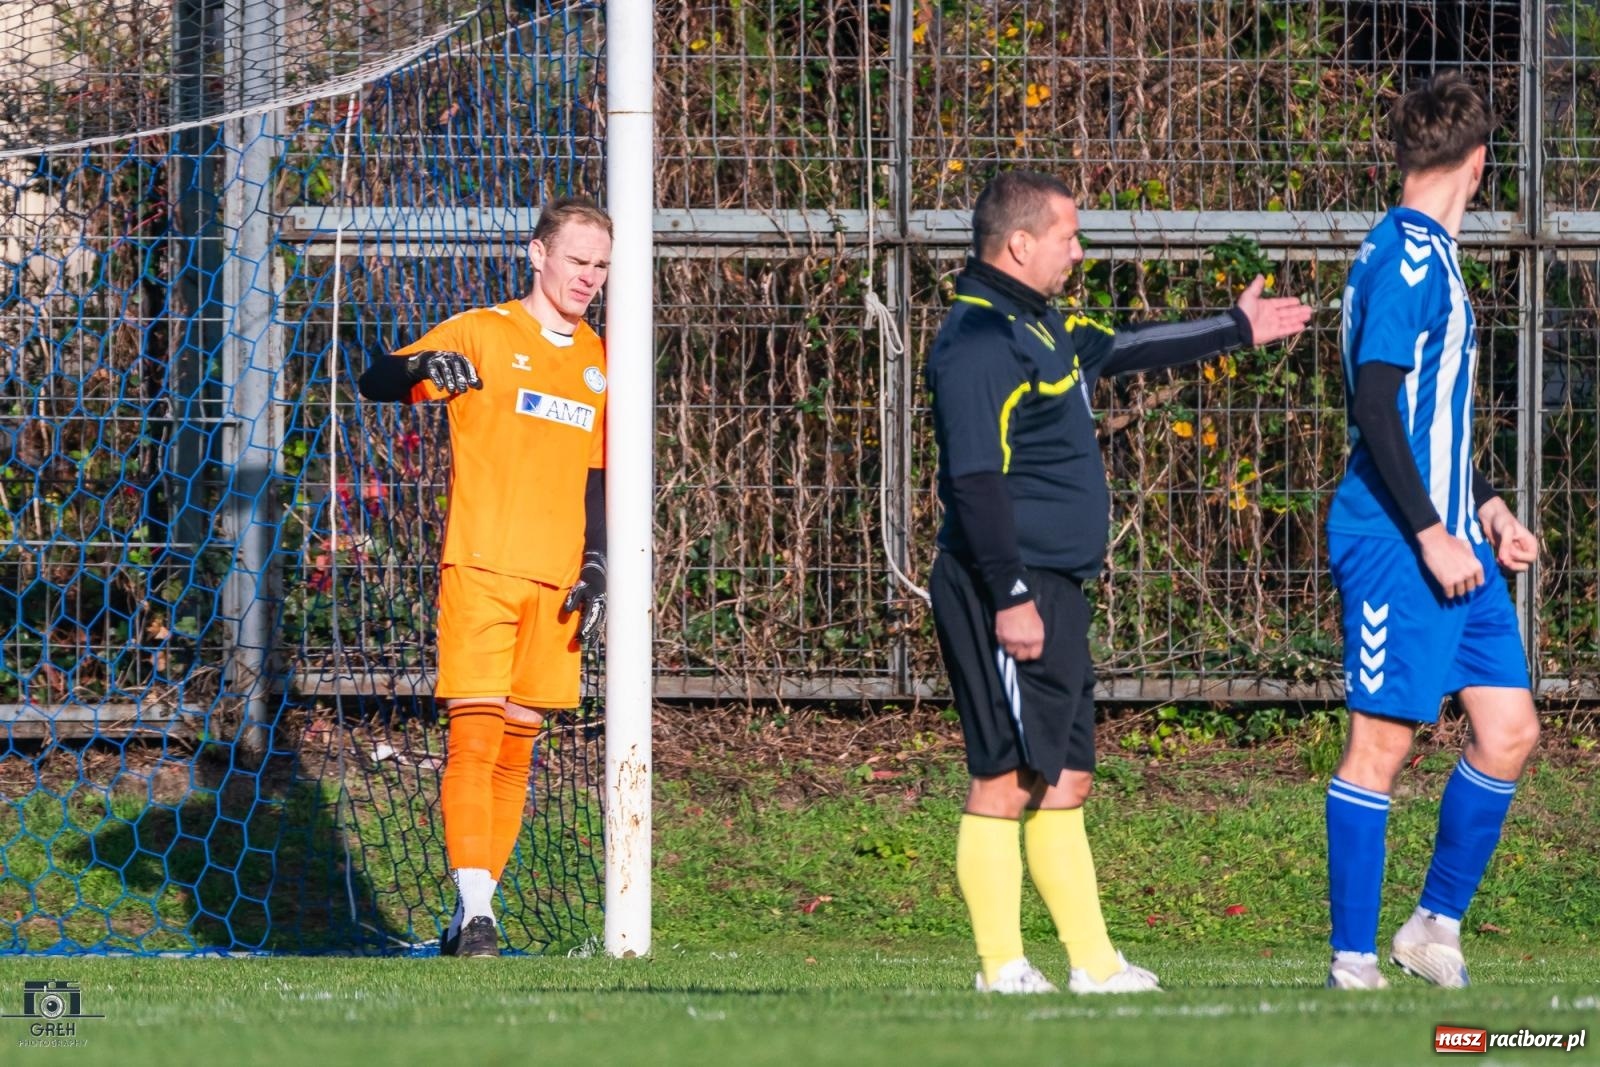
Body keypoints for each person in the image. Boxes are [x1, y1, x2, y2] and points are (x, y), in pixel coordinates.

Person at [925, 169, 1312, 994]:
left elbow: (1130, 346)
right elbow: (975, 481)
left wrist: (1236, 329)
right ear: (1020, 243)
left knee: (1066, 778)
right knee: (1006, 776)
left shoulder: (1046, 324)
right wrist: (1009, 595)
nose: (1079, 251)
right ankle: (1001, 967)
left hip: (1056, 585)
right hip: (1006, 586)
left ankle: (1094, 967)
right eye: (1068, 236)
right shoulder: (977, 341)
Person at [1323, 73, 1539, 990]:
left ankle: (1432, 924)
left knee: (1510, 729)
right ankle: (1352, 960)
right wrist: (1429, 531)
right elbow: (1375, 405)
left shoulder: (1428, 254)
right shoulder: (1408, 258)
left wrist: (1484, 506)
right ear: (1479, 163)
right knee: (1381, 744)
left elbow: (1423, 418)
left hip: (1454, 538)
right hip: (1396, 542)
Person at [357, 196, 612, 957]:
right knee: (473, 738)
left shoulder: (601, 359)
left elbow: (599, 476)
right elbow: (376, 379)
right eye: (577, 260)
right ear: (538, 254)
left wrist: (597, 562)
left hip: (557, 584)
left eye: (600, 266)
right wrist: (419, 367)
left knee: (517, 750)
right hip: (481, 567)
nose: (588, 277)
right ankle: (477, 913)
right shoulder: (482, 332)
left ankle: (472, 912)